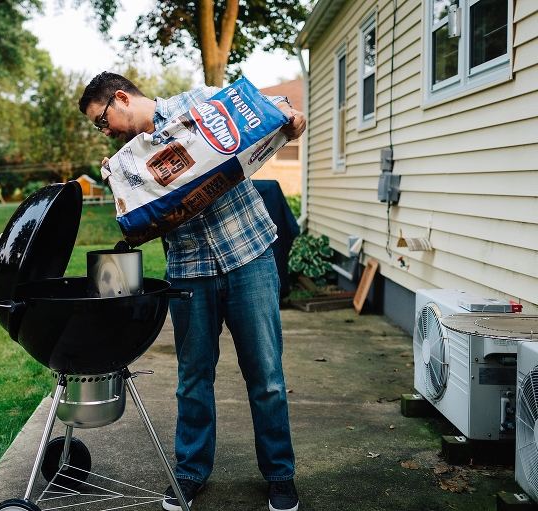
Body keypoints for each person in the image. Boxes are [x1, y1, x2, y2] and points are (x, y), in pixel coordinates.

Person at [79, 72, 306, 511]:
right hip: (189, 270)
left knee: (267, 377)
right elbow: (140, 222)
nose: (103, 131)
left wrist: (290, 119)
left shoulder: (198, 102)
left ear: (121, 99)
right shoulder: (128, 162)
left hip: (249, 256)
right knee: (193, 379)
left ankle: (280, 475)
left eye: (101, 120)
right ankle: (189, 473)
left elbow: (272, 107)